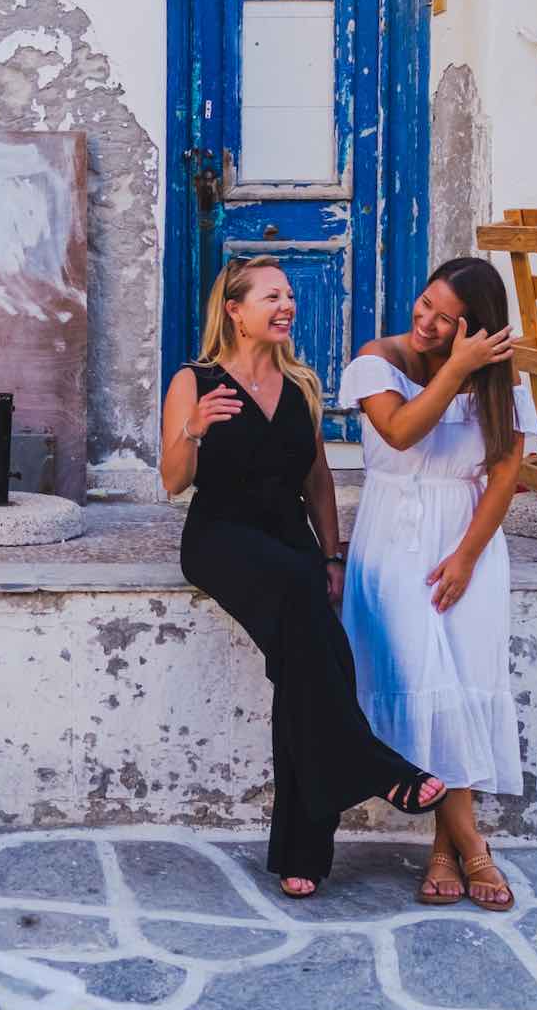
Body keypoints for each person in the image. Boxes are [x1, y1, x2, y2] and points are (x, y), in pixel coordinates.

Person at [163, 258, 447, 899]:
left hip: (290, 543)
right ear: (234, 310)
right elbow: (173, 480)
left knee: (309, 667)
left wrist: (332, 555)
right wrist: (192, 428)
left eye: (290, 294)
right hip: (221, 538)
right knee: (308, 617)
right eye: (272, 295)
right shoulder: (195, 380)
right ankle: (375, 765)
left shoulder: (300, 384)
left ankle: (303, 857)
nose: (287, 303)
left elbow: (318, 478)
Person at [338, 256, 536, 910]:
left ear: (474, 328)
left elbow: (507, 470)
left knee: (463, 684)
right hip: (395, 540)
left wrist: (466, 557)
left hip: (467, 544)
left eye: (444, 319)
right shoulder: (376, 358)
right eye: (424, 304)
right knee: (430, 684)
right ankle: (475, 847)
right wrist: (456, 367)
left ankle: (444, 848)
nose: (424, 321)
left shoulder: (500, 380)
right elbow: (399, 431)